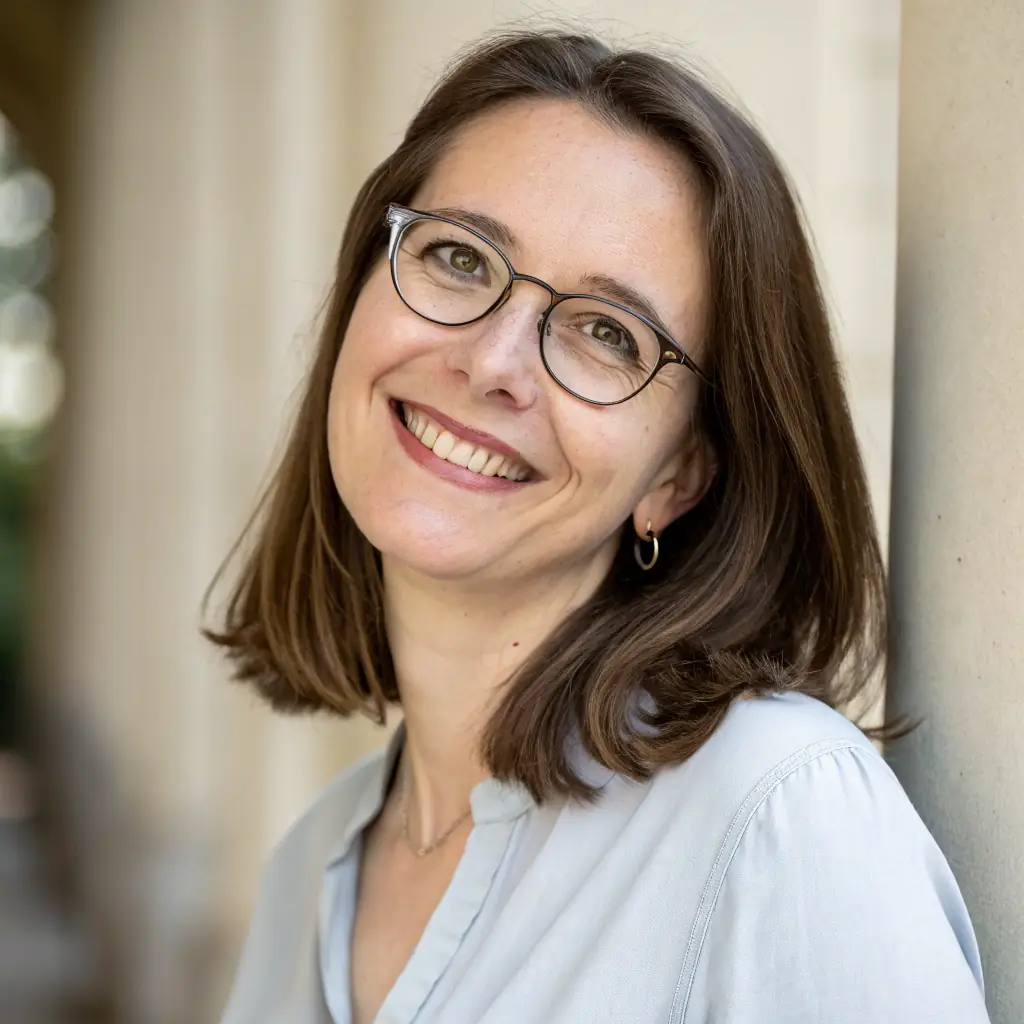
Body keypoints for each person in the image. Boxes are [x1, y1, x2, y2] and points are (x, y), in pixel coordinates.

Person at [208, 30, 990, 1024]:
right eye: (457, 256)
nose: (493, 360)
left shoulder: (775, 818)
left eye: (607, 333)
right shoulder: (309, 868)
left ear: (679, 474)